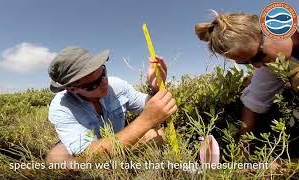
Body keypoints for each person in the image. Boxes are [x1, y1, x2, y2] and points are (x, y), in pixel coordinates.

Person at [45, 46, 177, 165]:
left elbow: (147, 106)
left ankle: (121, 161)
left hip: (124, 140)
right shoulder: (61, 107)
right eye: (93, 85)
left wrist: (153, 88)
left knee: (158, 135)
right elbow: (87, 154)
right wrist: (146, 120)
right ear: (72, 89)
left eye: (103, 73)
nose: (104, 83)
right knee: (56, 161)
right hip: (89, 150)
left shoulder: (116, 85)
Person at [195, 11, 299, 136]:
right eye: (246, 63)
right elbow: (253, 104)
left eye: (258, 56)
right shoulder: (269, 65)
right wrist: (243, 146)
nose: (257, 65)